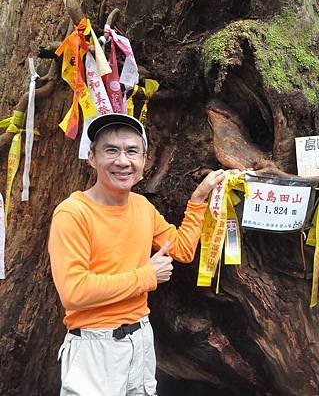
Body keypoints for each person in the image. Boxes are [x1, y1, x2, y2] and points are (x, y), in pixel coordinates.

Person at [48, 113, 225, 396]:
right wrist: (145, 276)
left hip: (140, 340)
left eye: (132, 151)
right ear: (92, 157)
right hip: (96, 348)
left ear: (143, 159)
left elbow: (181, 249)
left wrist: (198, 201)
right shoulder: (73, 213)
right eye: (111, 150)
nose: (122, 161)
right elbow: (74, 292)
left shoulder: (142, 207)